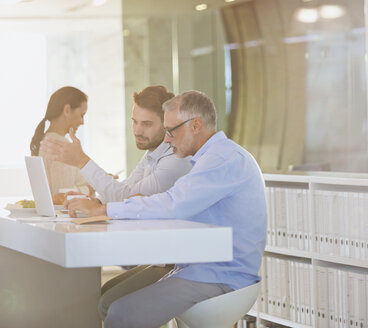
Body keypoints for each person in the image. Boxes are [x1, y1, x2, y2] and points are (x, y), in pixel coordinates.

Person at [59, 90, 267, 328]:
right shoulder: (208, 158)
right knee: (110, 301)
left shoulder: (223, 159)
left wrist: (103, 210)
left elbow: (172, 203)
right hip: (194, 266)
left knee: (122, 313)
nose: (166, 139)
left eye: (171, 131)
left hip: (222, 276)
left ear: (196, 124)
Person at [41, 85, 191, 203]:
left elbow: (125, 196)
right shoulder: (152, 154)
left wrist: (81, 160)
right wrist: (95, 201)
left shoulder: (174, 160)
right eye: (135, 122)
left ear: (167, 124)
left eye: (147, 124)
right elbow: (126, 187)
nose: (137, 131)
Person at [30, 86, 93, 204]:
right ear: (67, 110)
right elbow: (62, 196)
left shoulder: (46, 140)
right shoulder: (60, 146)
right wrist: (91, 188)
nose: (82, 122)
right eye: (82, 115)